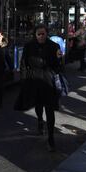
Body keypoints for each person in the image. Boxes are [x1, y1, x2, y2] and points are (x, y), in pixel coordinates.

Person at [15, 24, 62, 152]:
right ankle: (40, 121)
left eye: (43, 34)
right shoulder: (29, 46)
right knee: (38, 105)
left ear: (47, 34)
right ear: (35, 35)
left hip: (48, 80)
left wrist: (58, 59)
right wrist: (24, 79)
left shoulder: (54, 46)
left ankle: (51, 138)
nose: (41, 36)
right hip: (34, 78)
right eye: (39, 34)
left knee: (50, 109)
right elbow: (23, 63)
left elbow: (59, 66)